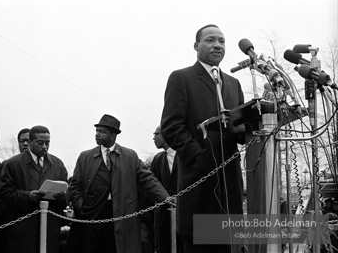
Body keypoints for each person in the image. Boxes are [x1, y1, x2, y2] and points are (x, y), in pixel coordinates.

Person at [160, 24, 245, 252]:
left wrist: (254, 125)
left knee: (227, 245)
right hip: (199, 184)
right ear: (196, 46)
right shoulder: (182, 78)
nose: (217, 45)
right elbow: (171, 127)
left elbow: (238, 128)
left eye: (222, 41)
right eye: (210, 40)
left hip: (230, 183)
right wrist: (199, 157)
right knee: (201, 246)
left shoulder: (234, 84)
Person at [64, 114, 173, 253]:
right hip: (91, 215)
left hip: (120, 214)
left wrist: (165, 197)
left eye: (102, 132)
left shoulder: (129, 156)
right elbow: (75, 185)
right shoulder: (85, 156)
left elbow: (148, 179)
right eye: (97, 131)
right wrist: (80, 206)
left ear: (113, 135)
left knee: (116, 248)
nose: (97, 135)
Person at [0, 125, 68, 253]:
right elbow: (4, 194)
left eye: (47, 143)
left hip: (50, 228)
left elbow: (68, 191)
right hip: (23, 229)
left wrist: (63, 196)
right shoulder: (12, 164)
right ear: (29, 142)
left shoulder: (58, 165)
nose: (44, 147)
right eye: (40, 143)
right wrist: (28, 196)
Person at [150, 125, 182, 253]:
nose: (154, 138)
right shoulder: (158, 159)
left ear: (166, 134)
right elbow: (152, 184)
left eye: (156, 134)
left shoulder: (184, 155)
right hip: (163, 214)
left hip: (182, 211)